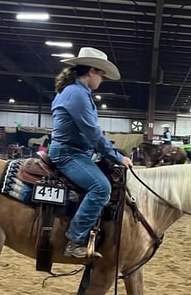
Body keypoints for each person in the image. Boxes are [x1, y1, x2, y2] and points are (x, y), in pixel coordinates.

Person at [49, 47, 133, 259]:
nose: (102, 80)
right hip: (69, 153)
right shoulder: (77, 94)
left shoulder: (74, 92)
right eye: (101, 74)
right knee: (100, 187)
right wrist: (117, 156)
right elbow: (93, 134)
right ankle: (76, 239)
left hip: (77, 151)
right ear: (92, 71)